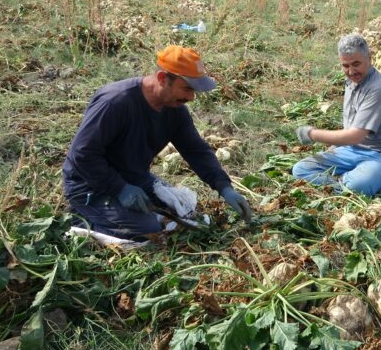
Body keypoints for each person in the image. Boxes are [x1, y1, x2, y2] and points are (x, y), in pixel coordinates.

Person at [62, 45, 253, 240]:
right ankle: (79, 219)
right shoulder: (115, 102)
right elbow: (82, 154)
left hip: (134, 177)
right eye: (187, 88)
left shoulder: (175, 110)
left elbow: (196, 150)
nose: (191, 97)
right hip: (89, 184)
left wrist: (224, 186)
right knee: (150, 230)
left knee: (183, 209)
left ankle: (116, 213)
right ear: (163, 79)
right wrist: (119, 188)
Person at [292, 34, 381, 197]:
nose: (351, 71)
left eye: (356, 64)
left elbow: (355, 136)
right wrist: (335, 149)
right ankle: (344, 185)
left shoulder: (378, 89)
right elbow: (351, 130)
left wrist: (312, 134)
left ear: (369, 58)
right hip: (352, 150)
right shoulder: (353, 81)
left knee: (364, 180)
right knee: (301, 169)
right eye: (345, 66)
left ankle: (349, 183)